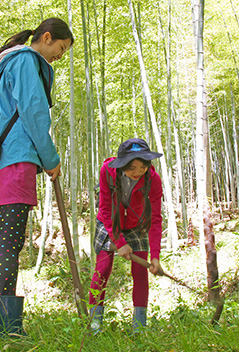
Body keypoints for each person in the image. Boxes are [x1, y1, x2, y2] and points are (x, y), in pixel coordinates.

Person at [0, 18, 73, 337]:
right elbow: (34, 112)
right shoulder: (26, 61)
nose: (59, 55)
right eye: (60, 48)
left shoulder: (14, 62)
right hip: (19, 157)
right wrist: (51, 159)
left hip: (6, 159)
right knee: (9, 240)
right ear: (46, 38)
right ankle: (7, 329)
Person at [88, 138, 164, 334]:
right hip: (108, 221)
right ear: (122, 165)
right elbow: (105, 208)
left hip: (136, 223)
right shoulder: (108, 171)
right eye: (132, 168)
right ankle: (94, 324)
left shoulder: (153, 179)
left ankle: (139, 327)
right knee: (103, 269)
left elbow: (155, 219)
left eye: (142, 167)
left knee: (140, 271)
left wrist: (155, 255)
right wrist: (119, 242)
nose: (138, 172)